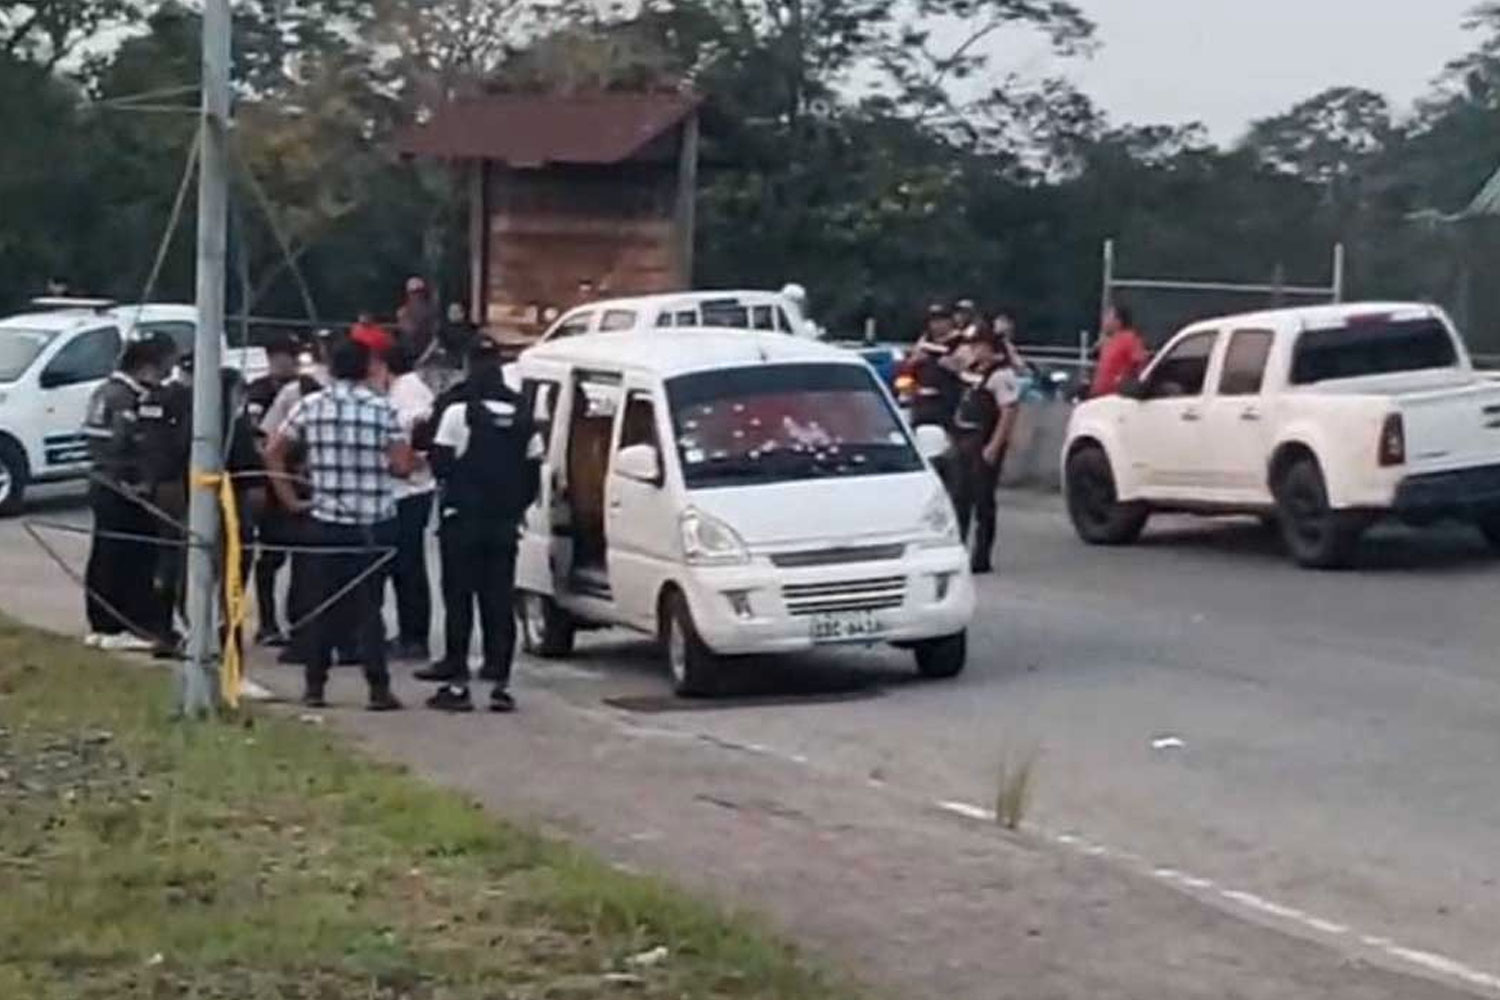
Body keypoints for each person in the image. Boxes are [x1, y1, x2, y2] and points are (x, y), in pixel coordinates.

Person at [266, 336, 414, 711]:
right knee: (370, 608)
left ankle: (315, 686)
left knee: (322, 604)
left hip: (325, 517)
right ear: (367, 368)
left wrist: (290, 499)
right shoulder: (383, 410)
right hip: (372, 521)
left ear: (330, 368)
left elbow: (274, 452)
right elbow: (401, 464)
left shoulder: (310, 406)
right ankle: (378, 688)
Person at [415, 337, 541, 714]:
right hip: (503, 525)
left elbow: (440, 463)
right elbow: (533, 474)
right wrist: (512, 506)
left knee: (459, 602)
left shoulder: (459, 413)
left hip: (463, 522)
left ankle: (457, 685)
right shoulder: (523, 415)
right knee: (499, 603)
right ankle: (499, 684)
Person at [81, 337, 176, 651]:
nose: (167, 376)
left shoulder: (104, 392)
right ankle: (122, 623)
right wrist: (138, 478)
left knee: (106, 554)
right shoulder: (127, 399)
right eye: (165, 368)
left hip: (103, 483)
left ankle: (102, 622)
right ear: (147, 367)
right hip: (123, 489)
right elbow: (127, 444)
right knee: (131, 558)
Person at [245, 333, 302, 646]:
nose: (283, 361)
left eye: (289, 355)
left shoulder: (307, 388)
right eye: (277, 355)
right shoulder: (259, 391)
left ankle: (299, 622)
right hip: (268, 481)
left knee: (303, 559)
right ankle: (267, 622)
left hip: (299, 479)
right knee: (271, 556)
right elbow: (255, 437)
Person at [950, 327, 1021, 574]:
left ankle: (981, 557)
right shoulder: (972, 371)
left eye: (980, 345)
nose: (976, 350)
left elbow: (1009, 412)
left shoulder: (1001, 376)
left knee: (983, 501)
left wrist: (994, 445)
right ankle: (957, 552)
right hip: (963, 437)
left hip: (983, 440)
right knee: (960, 499)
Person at [385, 345, 436, 662]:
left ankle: (414, 636)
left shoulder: (408, 392)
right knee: (404, 565)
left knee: (408, 565)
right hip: (406, 489)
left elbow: (419, 428)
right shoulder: (406, 389)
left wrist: (409, 461)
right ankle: (408, 633)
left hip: (410, 490)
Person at [1090, 303, 1149, 398]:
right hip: (1099, 396)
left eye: (1108, 317)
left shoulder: (1129, 338)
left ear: (1118, 321)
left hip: (1116, 397)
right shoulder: (1108, 341)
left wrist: (1126, 382)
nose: (1104, 321)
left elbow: (1140, 362)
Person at [418, 303, 475, 398]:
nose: (453, 314)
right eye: (451, 312)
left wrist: (468, 369)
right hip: (445, 367)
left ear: (463, 314)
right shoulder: (444, 328)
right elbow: (434, 345)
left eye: (456, 312)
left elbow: (469, 351)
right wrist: (423, 359)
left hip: (459, 368)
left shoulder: (470, 330)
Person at [396, 278, 439, 358]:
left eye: (420, 291)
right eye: (414, 292)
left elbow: (436, 331)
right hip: (411, 353)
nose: (418, 295)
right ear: (408, 294)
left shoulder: (433, 311)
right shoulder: (403, 312)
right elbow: (410, 331)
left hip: (431, 352)